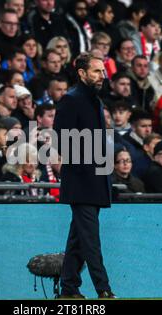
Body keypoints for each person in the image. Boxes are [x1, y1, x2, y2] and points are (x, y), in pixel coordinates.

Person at [53, 52, 115, 299]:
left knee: (78, 239)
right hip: (81, 182)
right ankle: (104, 289)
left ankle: (69, 288)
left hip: (95, 180)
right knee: (90, 239)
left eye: (103, 71)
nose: (103, 75)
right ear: (82, 73)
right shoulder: (71, 100)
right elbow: (61, 138)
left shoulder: (94, 100)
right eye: (97, 71)